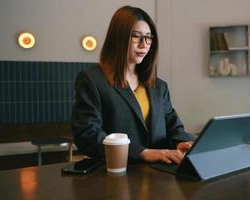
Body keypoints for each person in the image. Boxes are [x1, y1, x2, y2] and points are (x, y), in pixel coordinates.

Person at [71, 6, 195, 165]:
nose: (144, 45)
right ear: (118, 38)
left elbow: (174, 128)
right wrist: (142, 153)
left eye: (149, 37)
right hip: (115, 176)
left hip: (159, 177)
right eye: (136, 36)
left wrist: (184, 142)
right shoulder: (92, 80)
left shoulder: (159, 86)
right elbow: (88, 135)